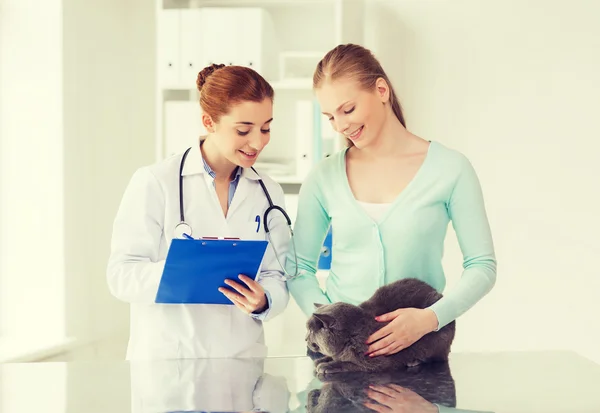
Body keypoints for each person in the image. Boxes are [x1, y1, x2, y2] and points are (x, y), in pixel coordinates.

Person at [287, 44, 497, 358]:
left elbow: (482, 266)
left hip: (418, 352)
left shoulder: (451, 169)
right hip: (338, 358)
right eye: (330, 117)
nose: (341, 125)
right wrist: (327, 327)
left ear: (381, 90)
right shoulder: (323, 176)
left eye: (348, 109)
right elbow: (299, 267)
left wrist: (430, 318)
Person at [107, 63, 289, 360]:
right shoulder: (156, 182)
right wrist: (182, 272)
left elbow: (277, 273)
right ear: (209, 122)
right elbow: (120, 275)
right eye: (243, 130)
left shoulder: (268, 192)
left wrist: (264, 299)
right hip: (171, 361)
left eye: (266, 128)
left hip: (241, 359)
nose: (258, 142)